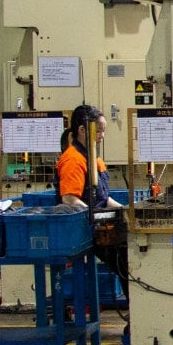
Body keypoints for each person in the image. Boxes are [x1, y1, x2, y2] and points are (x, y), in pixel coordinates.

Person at [56, 104, 128, 287]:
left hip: (99, 223)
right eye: (99, 131)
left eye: (103, 131)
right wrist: (95, 217)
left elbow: (103, 198)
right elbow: (69, 199)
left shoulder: (94, 157)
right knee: (126, 259)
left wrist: (125, 211)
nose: (102, 136)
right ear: (82, 130)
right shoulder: (73, 159)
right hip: (85, 230)